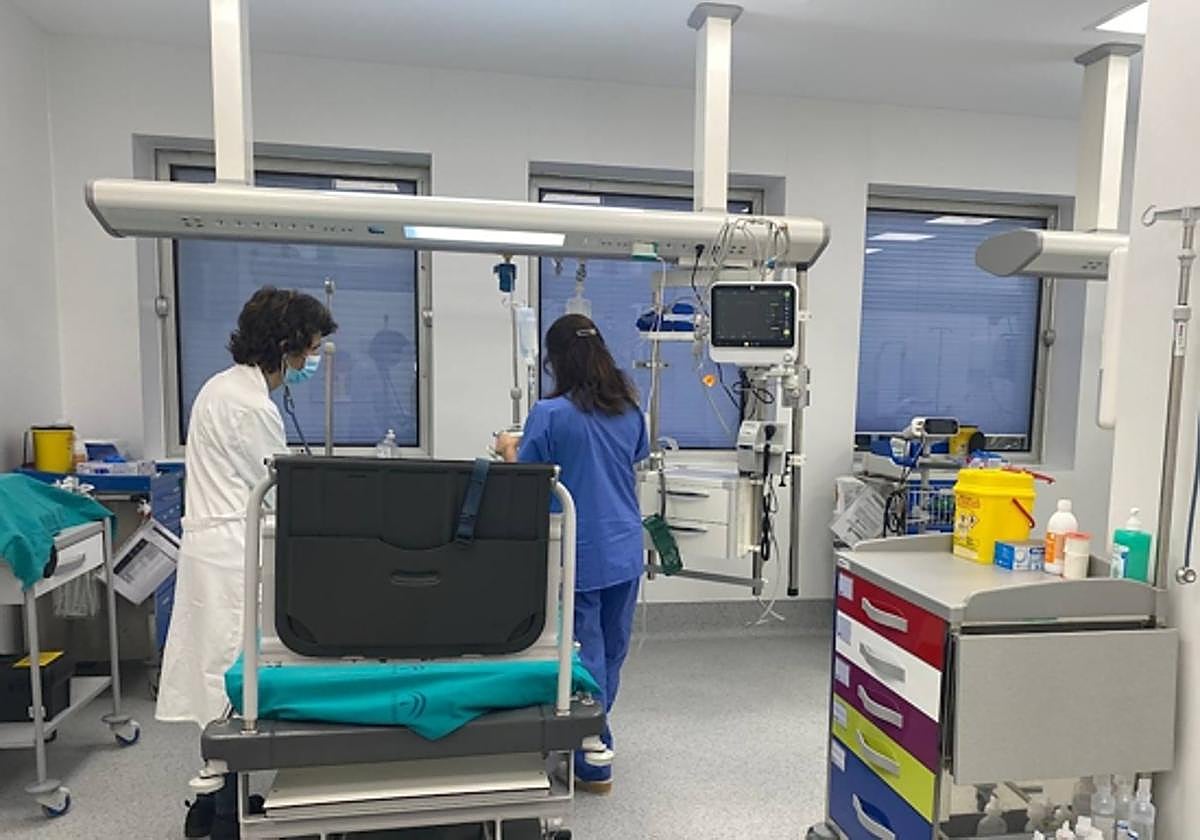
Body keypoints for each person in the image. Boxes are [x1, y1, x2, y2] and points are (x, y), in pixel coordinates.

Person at [157, 287, 336, 839]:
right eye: (310, 350)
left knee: (218, 681)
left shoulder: (219, 387)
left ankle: (210, 806)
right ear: (285, 346)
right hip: (233, 554)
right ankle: (223, 817)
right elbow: (275, 491)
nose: (311, 361)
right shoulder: (251, 406)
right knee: (234, 686)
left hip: (213, 549)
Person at [496, 314, 649, 795]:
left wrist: (507, 449)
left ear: (555, 361)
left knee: (583, 655)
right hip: (624, 547)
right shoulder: (630, 411)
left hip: (579, 550)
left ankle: (590, 754)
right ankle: (594, 739)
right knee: (612, 651)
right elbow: (624, 460)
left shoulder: (550, 414)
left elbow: (530, 477)